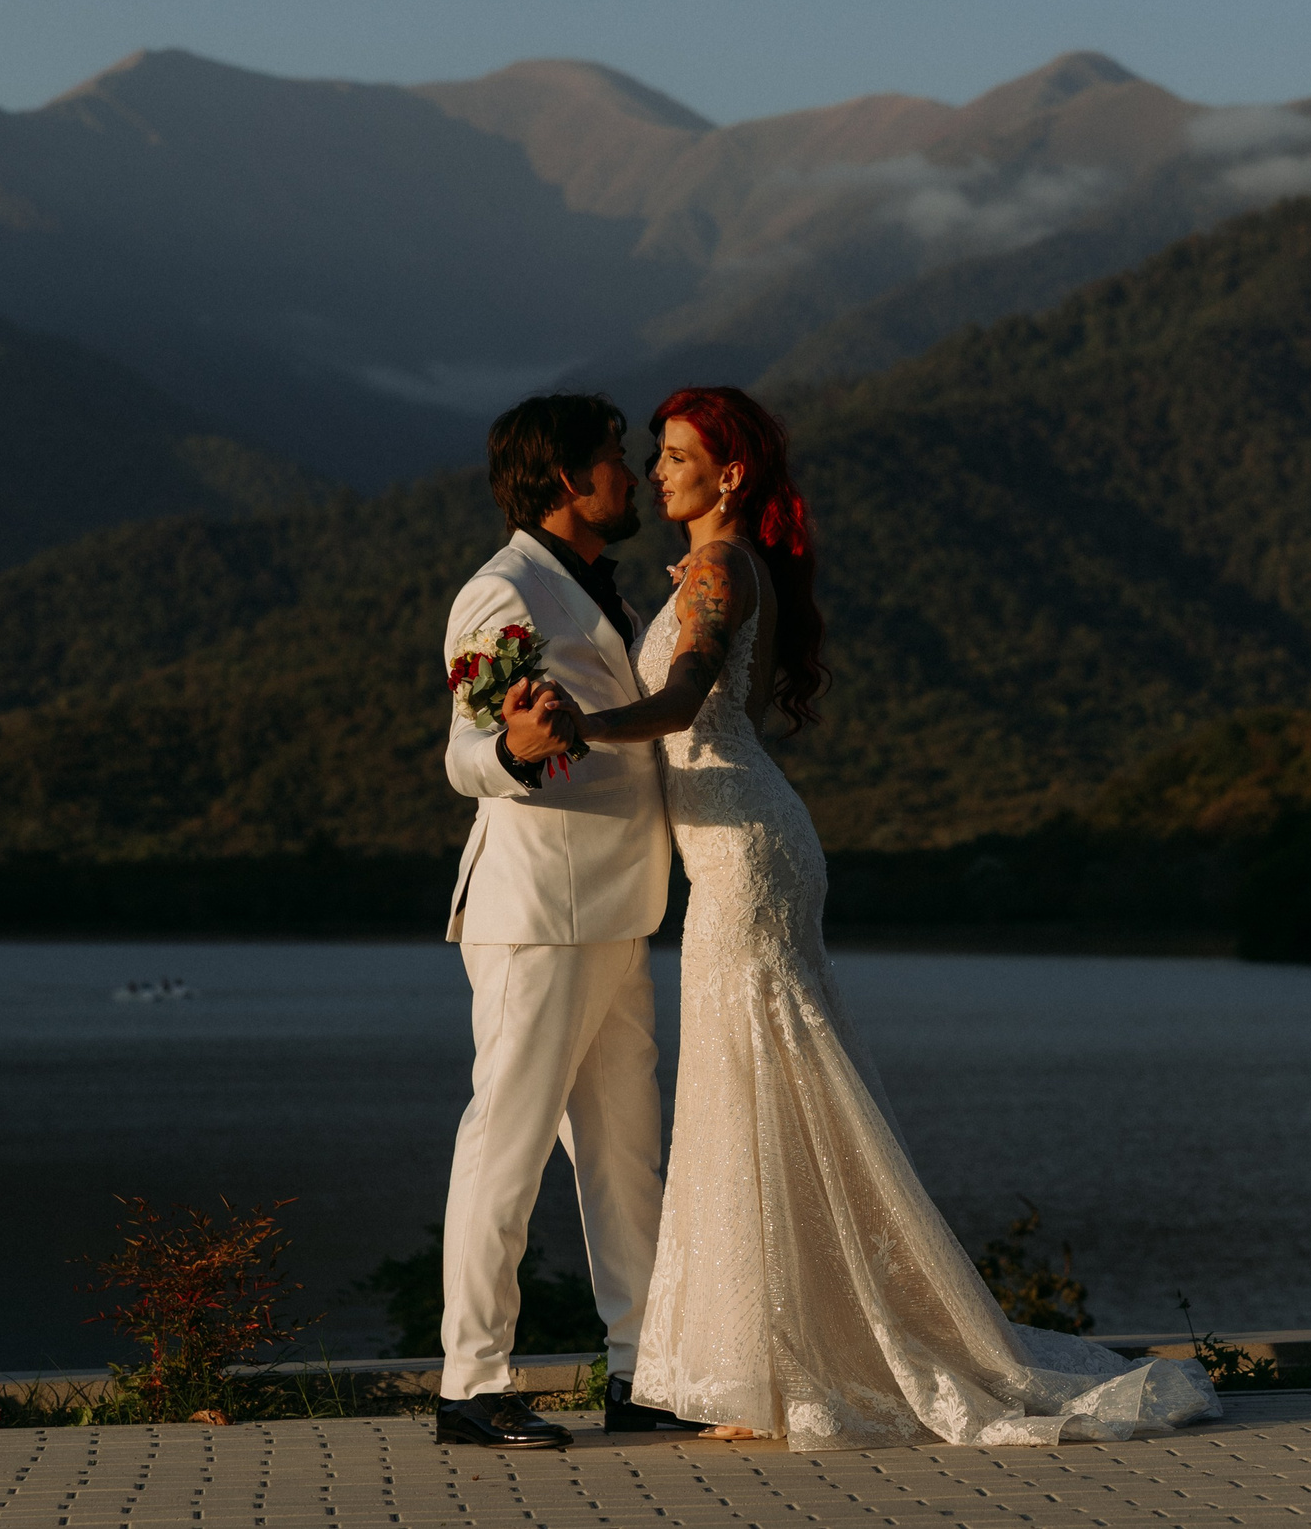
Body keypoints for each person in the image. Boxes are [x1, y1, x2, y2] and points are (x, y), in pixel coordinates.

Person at [546, 386, 1218, 1452]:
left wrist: (568, 728)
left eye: (677, 455)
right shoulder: (705, 568)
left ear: (728, 476)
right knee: (747, 1086)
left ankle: (795, 1363)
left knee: (767, 1080)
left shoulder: (720, 569)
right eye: (658, 454)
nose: (658, 469)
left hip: (745, 851)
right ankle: (767, 1360)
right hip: (723, 846)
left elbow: (679, 708)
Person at [431, 392, 708, 1449]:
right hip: (537, 912)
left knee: (623, 1154)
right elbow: (466, 757)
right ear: (563, 480)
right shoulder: (498, 595)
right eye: (614, 461)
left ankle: (642, 1370)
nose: (631, 476)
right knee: (503, 1148)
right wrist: (511, 748)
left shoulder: (592, 588)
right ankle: (470, 1386)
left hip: (618, 911)